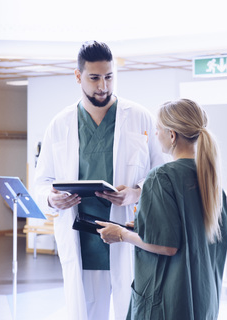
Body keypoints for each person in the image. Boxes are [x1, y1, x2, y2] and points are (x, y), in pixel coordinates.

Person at [32, 40, 165, 320]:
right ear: (78, 76)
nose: (103, 86)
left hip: (127, 234)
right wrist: (51, 197)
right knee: (89, 313)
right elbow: (41, 180)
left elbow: (160, 173)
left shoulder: (139, 117)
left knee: (133, 311)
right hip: (82, 239)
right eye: (94, 78)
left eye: (109, 77)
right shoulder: (60, 124)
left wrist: (135, 192)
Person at [97, 99, 227, 320]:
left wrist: (121, 234)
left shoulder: (161, 177)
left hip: (169, 301)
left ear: (172, 135)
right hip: (203, 300)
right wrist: (142, 227)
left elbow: (166, 246)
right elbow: (192, 235)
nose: (155, 135)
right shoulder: (213, 184)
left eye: (157, 130)